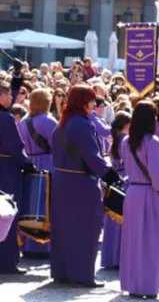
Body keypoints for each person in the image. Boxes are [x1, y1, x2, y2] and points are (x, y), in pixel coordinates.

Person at [50, 85, 121, 287]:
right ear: (83, 102)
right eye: (91, 100)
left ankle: (62, 271)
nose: (93, 104)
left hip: (62, 181)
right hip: (81, 183)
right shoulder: (83, 124)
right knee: (85, 230)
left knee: (63, 229)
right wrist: (109, 174)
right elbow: (92, 156)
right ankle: (81, 274)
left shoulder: (62, 123)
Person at [120, 101, 159, 299]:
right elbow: (156, 173)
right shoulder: (152, 141)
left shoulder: (126, 141)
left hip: (133, 193)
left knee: (133, 243)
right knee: (152, 242)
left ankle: (133, 284)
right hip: (151, 194)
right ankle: (148, 286)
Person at [0, 71, 36, 275]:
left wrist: (16, 80)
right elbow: (15, 147)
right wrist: (27, 164)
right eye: (8, 96)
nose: (11, 98)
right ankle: (7, 261)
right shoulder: (6, 119)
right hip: (6, 169)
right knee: (7, 215)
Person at [18, 88, 57, 258]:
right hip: (48, 164)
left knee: (31, 205)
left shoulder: (24, 121)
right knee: (47, 206)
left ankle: (28, 244)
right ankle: (44, 246)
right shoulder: (48, 120)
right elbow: (58, 146)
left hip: (29, 164)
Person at [101, 111, 131, 269]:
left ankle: (110, 257)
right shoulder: (126, 140)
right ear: (126, 125)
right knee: (123, 219)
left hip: (115, 180)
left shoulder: (114, 140)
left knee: (112, 220)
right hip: (125, 180)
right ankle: (121, 257)